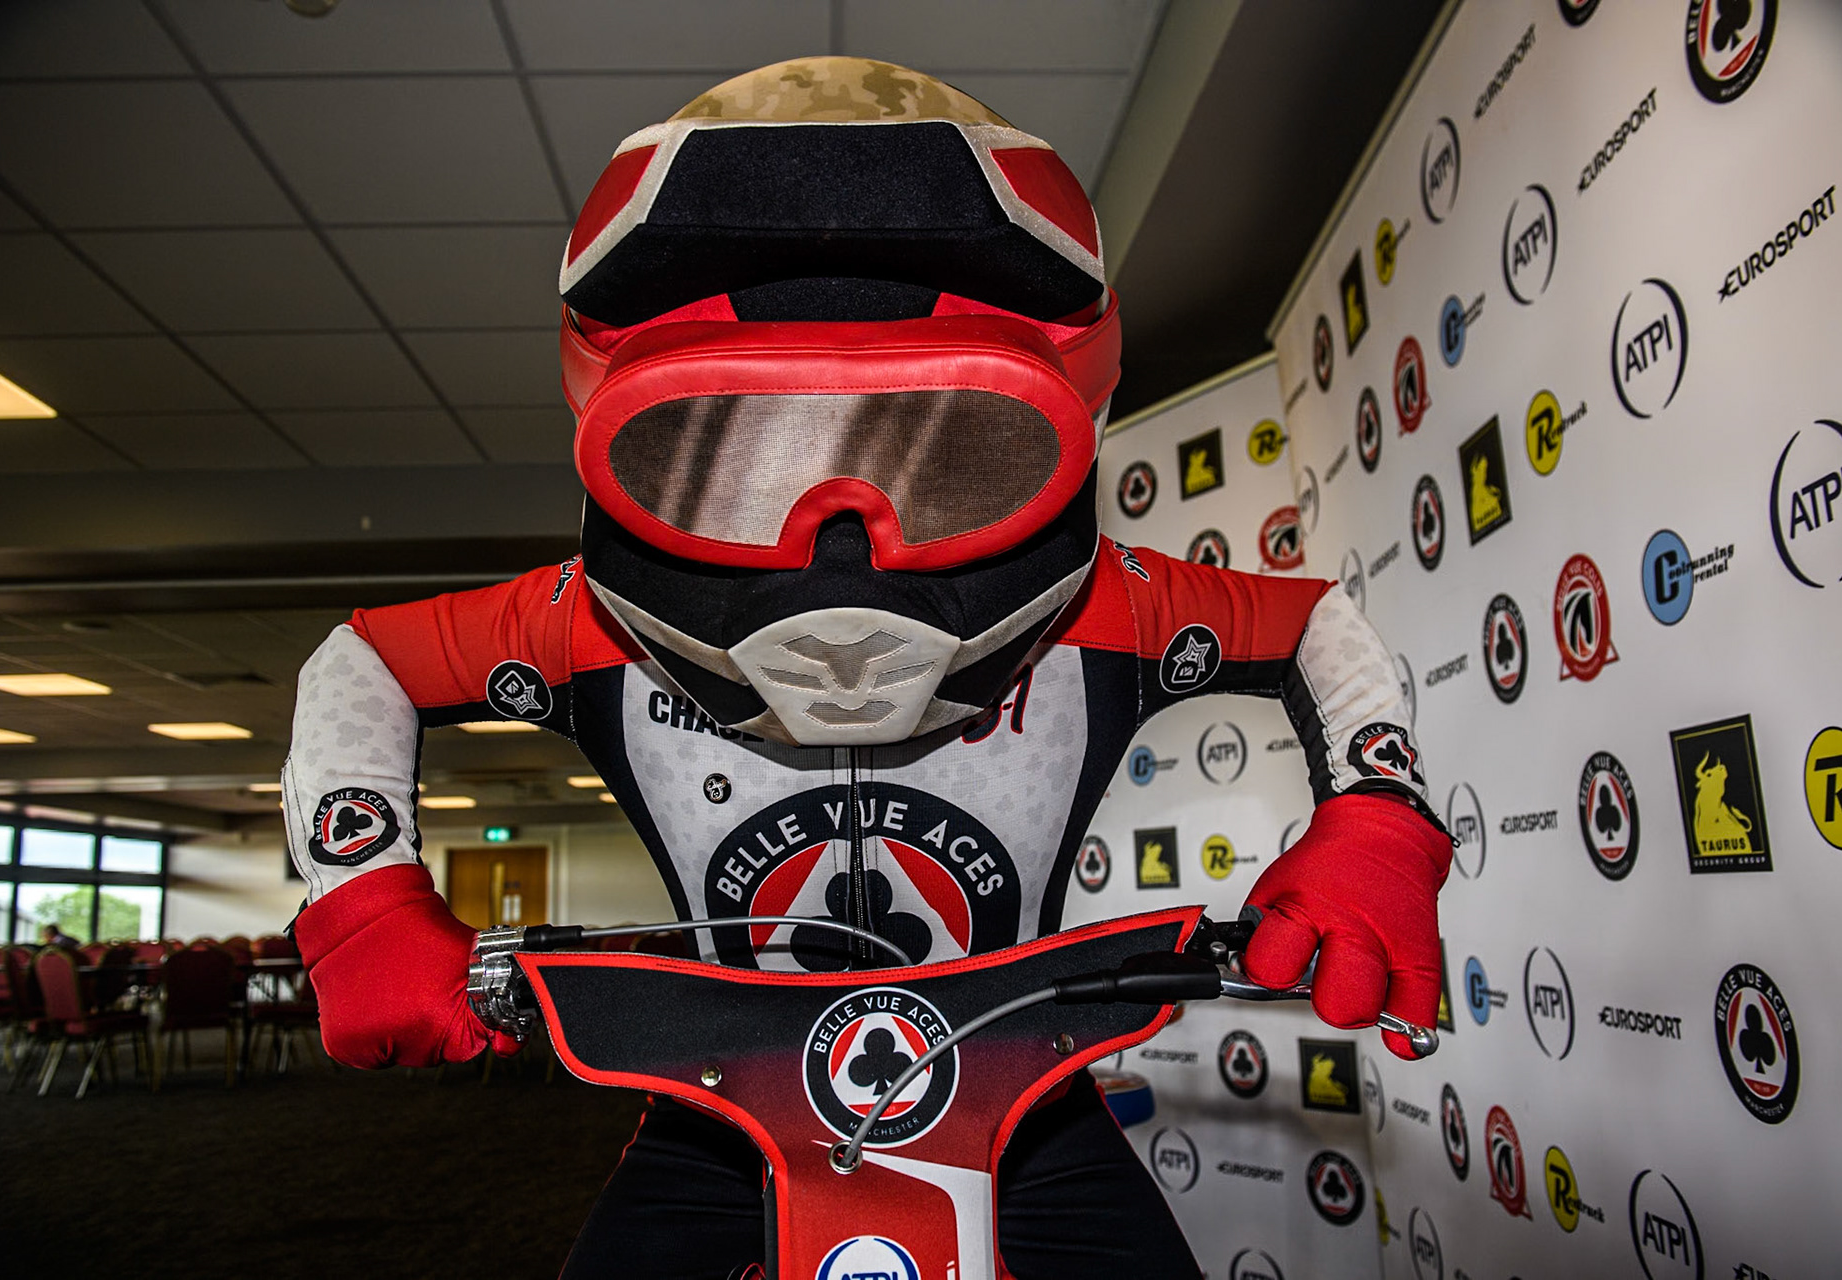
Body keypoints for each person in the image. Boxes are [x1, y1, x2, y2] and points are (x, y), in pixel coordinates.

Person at [281, 59, 1452, 1280]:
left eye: (950, 448)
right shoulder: (1114, 603)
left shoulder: (585, 618)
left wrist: (1376, 826)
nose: (841, 533)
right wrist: (363, 903)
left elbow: (1312, 621)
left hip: (1004, 1096)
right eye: (730, 454)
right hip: (735, 1109)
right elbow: (365, 657)